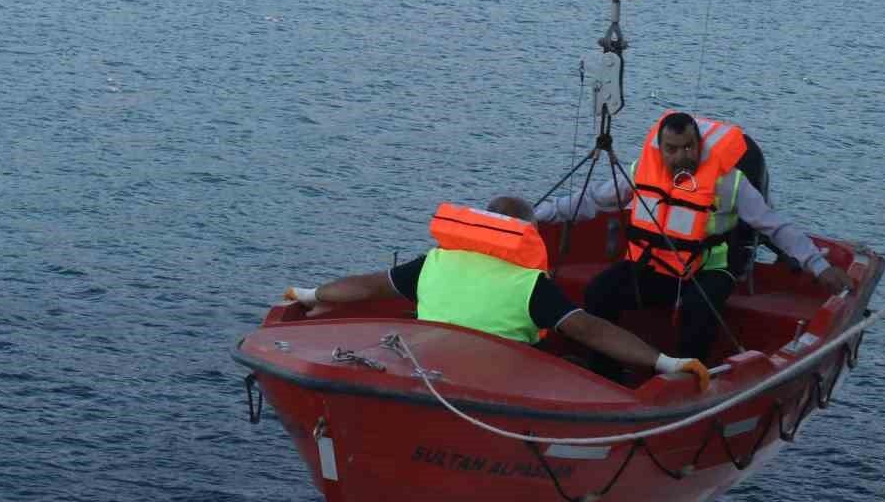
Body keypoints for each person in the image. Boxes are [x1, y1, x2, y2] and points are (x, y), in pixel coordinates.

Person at [536, 111, 854, 378]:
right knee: (599, 292)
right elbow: (592, 200)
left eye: (689, 147)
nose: (681, 156)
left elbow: (774, 226)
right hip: (656, 266)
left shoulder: (728, 182)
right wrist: (538, 214)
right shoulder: (639, 172)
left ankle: (688, 382)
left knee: (697, 310)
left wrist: (819, 266)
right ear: (660, 149)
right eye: (672, 149)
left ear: (698, 144)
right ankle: (605, 374)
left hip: (708, 268)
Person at [283, 196, 713, 390]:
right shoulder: (528, 286)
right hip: (494, 383)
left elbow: (366, 285)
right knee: (569, 360)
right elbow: (591, 331)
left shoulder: (435, 262)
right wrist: (664, 361)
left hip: (420, 368)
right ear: (528, 234)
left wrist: (310, 292)